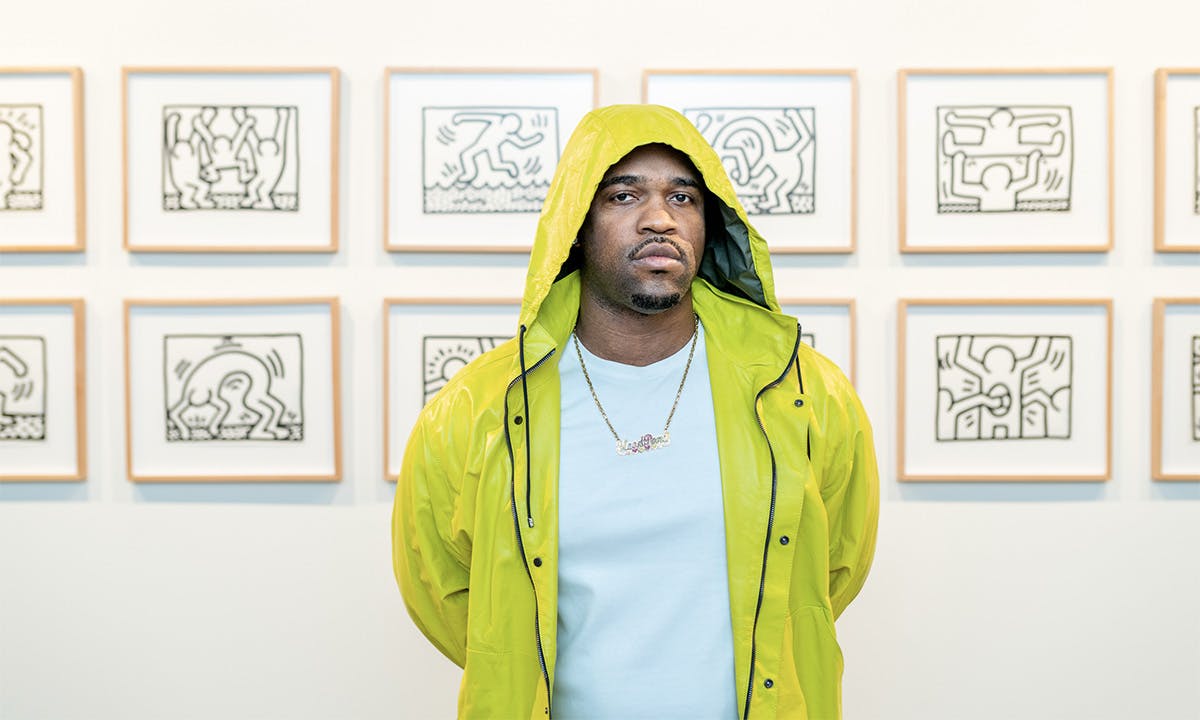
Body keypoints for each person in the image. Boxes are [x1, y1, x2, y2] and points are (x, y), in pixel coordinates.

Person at [392, 104, 879, 719]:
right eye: (624, 196)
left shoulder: (802, 393)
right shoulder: (479, 408)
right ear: (578, 223)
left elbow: (830, 569)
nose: (660, 220)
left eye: (683, 198)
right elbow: (444, 587)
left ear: (711, 224)